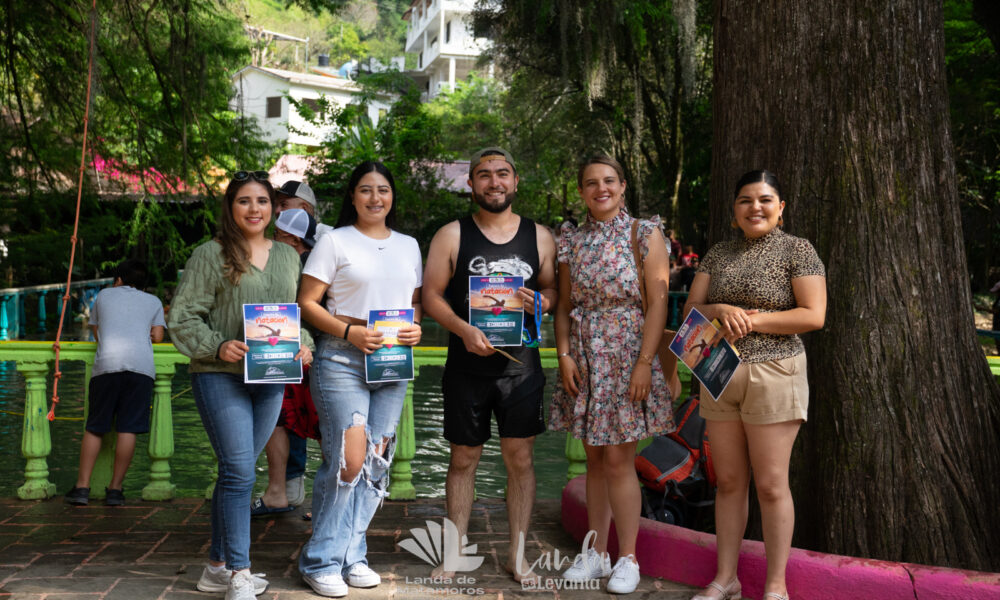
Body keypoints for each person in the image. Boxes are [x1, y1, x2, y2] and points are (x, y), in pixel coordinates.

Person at [169, 170, 314, 600]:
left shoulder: (288, 256)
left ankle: (215, 566)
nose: (254, 209)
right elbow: (183, 317)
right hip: (220, 374)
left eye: (262, 201)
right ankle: (239, 572)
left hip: (270, 376)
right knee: (238, 470)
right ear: (230, 207)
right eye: (244, 201)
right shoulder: (209, 254)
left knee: (236, 473)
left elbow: (295, 314)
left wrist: (304, 344)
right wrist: (218, 345)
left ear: (274, 208)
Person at [684, 170, 826, 600]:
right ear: (735, 210)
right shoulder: (718, 253)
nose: (755, 207)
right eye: (745, 200)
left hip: (775, 372)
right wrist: (719, 309)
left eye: (765, 199)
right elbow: (691, 310)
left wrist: (752, 319)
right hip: (718, 372)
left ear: (780, 208)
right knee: (728, 481)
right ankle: (726, 578)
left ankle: (776, 587)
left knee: (770, 484)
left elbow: (813, 315)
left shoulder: (797, 249)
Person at [423, 147, 557, 582]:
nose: (494, 182)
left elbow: (553, 292)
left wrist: (541, 302)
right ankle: (454, 552)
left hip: (521, 367)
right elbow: (431, 296)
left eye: (502, 174)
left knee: (521, 460)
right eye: (484, 174)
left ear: (516, 181)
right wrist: (463, 328)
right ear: (471, 183)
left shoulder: (540, 236)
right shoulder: (451, 235)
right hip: (466, 366)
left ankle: (517, 555)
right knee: (463, 459)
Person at [296, 161, 423, 598]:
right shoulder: (334, 241)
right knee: (348, 461)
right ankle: (320, 560)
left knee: (376, 461)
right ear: (352, 196)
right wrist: (349, 331)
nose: (375, 197)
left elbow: (413, 303)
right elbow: (307, 303)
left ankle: (352, 554)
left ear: (392, 196)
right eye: (366, 189)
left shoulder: (409, 245)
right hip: (342, 356)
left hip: (392, 359)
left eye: (383, 189)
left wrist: (415, 327)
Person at [549, 155, 673, 594]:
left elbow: (658, 303)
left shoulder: (644, 233)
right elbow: (564, 305)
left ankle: (628, 558)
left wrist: (644, 362)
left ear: (622, 187)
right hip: (586, 357)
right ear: (581, 191)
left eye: (608, 181)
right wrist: (564, 354)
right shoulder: (571, 239)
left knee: (620, 460)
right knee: (595, 459)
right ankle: (596, 553)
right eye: (590, 182)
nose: (600, 189)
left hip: (627, 354)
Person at [64, 258, 166, 507]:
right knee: (127, 429)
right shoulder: (153, 301)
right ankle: (115, 490)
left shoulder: (104, 296)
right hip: (141, 370)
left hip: (106, 367)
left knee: (95, 427)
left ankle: (82, 487)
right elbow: (158, 337)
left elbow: (96, 331)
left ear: (118, 279)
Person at [252, 208, 319, 516]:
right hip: (315, 348)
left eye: (277, 234)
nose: (272, 239)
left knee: (279, 419)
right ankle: (307, 493)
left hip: (295, 351)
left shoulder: (292, 265)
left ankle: (281, 489)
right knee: (322, 424)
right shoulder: (321, 262)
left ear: (292, 239)